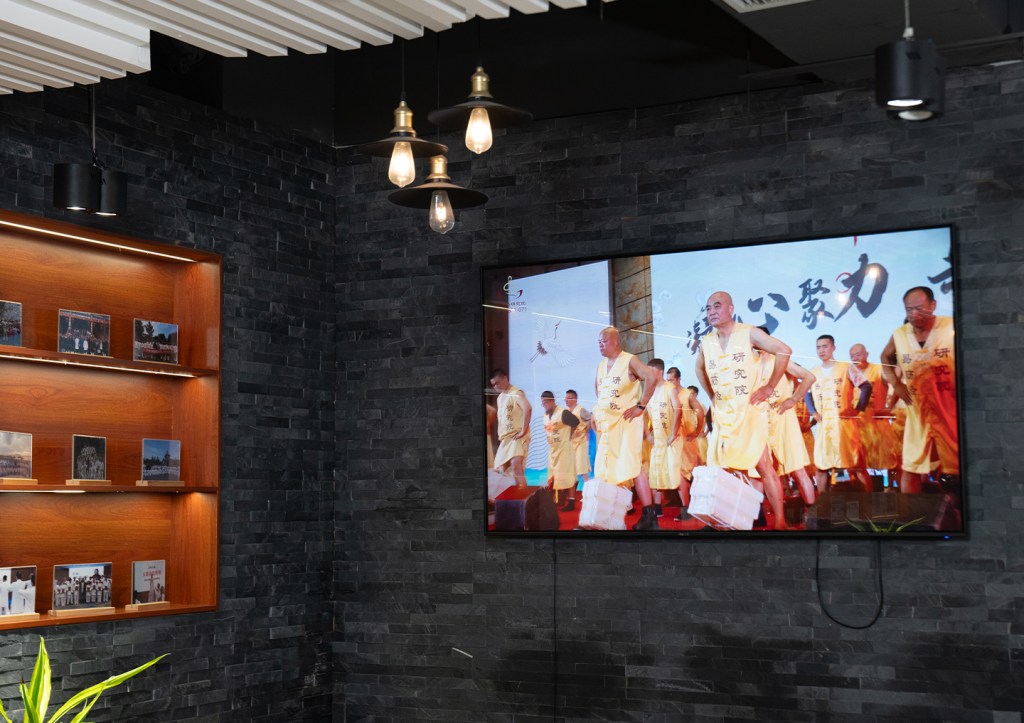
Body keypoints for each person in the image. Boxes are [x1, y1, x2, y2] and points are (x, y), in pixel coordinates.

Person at [694, 291, 793, 529]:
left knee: (763, 466)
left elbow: (784, 350)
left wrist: (770, 386)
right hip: (723, 415)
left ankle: (780, 521)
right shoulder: (707, 342)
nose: (712, 312)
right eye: (708, 308)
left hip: (749, 413)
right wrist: (712, 396)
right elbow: (699, 369)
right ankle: (729, 519)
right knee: (723, 467)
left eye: (717, 306)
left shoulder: (749, 333)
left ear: (731, 309)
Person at [880, 286, 957, 493]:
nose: (914, 314)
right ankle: (910, 512)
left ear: (933, 305)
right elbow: (885, 356)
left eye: (919, 308)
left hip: (949, 410)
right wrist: (896, 384)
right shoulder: (900, 334)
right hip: (918, 413)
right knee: (910, 468)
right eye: (909, 309)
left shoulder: (950, 327)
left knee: (956, 465)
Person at [594, 327, 660, 530]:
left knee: (632, 466)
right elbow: (599, 392)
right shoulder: (601, 366)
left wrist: (641, 405)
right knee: (608, 467)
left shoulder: (629, 360)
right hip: (609, 425)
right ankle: (613, 515)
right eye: (599, 342)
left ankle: (650, 516)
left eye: (604, 341)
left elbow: (651, 377)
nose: (600, 345)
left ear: (616, 341)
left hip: (627, 422)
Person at [754, 327, 817, 506]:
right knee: (759, 472)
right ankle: (757, 514)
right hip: (759, 421)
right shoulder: (750, 364)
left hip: (782, 419)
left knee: (797, 469)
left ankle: (812, 512)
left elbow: (809, 377)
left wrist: (793, 400)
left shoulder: (780, 360)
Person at [806, 334, 874, 493]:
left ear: (833, 348)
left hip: (844, 426)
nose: (821, 350)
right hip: (824, 427)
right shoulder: (813, 372)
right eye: (818, 347)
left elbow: (866, 386)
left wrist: (857, 409)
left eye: (825, 346)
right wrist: (813, 412)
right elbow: (807, 394)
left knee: (855, 465)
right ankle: (822, 502)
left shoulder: (846, 368)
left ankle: (868, 500)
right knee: (822, 466)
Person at [849, 343, 899, 475]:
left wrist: (889, 408)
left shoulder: (878, 369)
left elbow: (895, 383)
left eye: (858, 354)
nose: (855, 358)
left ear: (867, 354)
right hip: (857, 426)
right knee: (856, 463)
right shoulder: (849, 373)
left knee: (891, 462)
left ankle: (893, 486)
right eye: (852, 356)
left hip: (877, 425)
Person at [643, 359, 682, 518]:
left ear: (659, 372)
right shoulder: (649, 391)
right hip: (657, 441)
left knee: (675, 473)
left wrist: (674, 433)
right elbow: (642, 413)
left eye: (651, 371)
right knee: (655, 474)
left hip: (670, 440)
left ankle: (685, 508)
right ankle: (657, 508)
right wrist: (648, 433)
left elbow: (678, 409)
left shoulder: (669, 388)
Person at [490, 369, 532, 488]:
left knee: (516, 465)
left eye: (497, 383)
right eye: (493, 385)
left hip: (517, 436)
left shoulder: (516, 392)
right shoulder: (500, 398)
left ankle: (523, 496)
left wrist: (523, 430)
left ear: (505, 378)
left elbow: (527, 408)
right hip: (505, 439)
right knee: (499, 469)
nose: (496, 387)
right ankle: (511, 495)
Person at [540, 390, 579, 509]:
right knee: (554, 475)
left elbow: (576, 422)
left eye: (547, 402)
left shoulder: (563, 413)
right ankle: (557, 499)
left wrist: (570, 433)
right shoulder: (545, 416)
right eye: (543, 403)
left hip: (564, 449)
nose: (545, 405)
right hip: (553, 450)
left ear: (553, 401)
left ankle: (571, 502)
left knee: (568, 474)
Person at [564, 389, 592, 488]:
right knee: (571, 469)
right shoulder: (566, 412)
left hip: (581, 442)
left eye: (568, 398)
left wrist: (586, 431)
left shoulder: (581, 410)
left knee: (582, 468)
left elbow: (591, 420)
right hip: (571, 444)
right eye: (565, 398)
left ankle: (589, 490)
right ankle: (572, 493)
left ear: (574, 399)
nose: (566, 400)